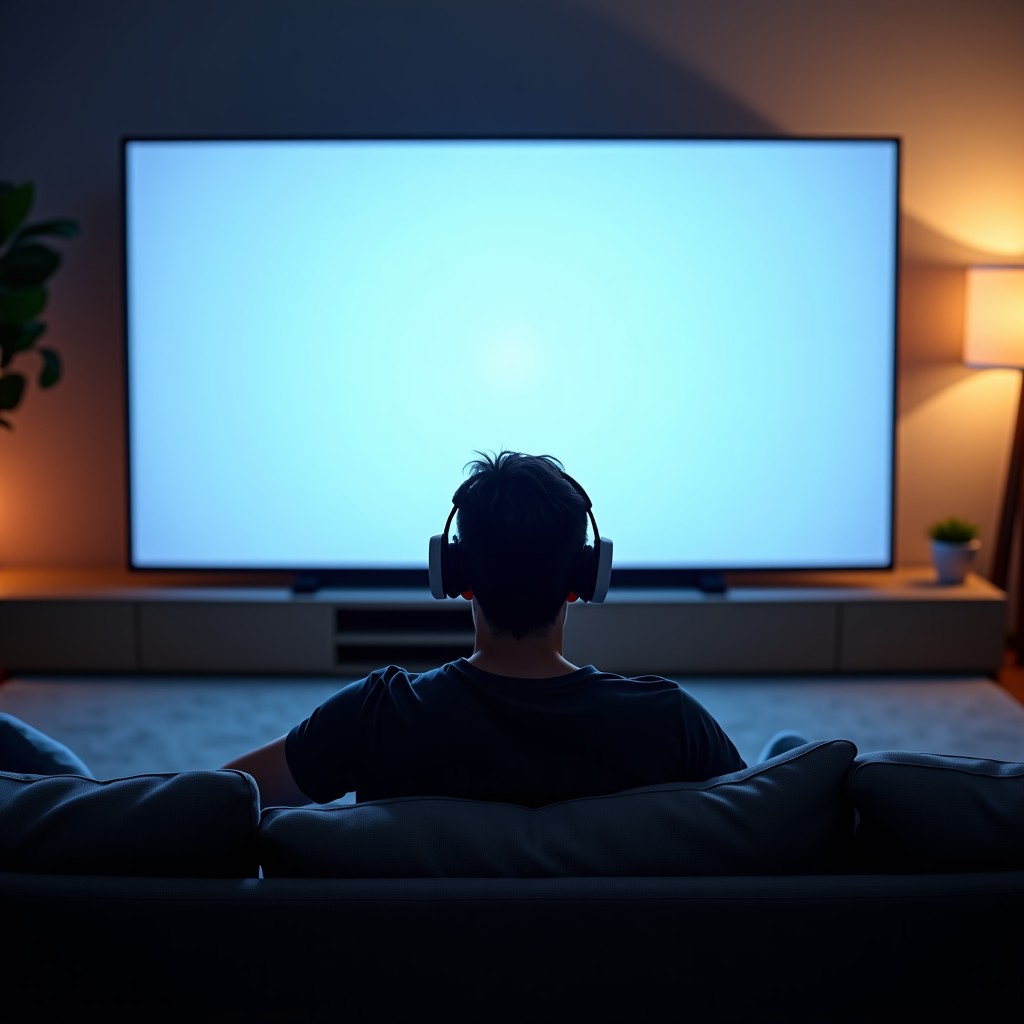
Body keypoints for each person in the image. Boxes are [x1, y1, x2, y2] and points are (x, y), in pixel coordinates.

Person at [223, 450, 804, 807]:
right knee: (788, 755)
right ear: (584, 577)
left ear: (455, 575)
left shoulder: (376, 715)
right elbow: (759, 822)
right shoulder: (670, 721)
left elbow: (208, 804)